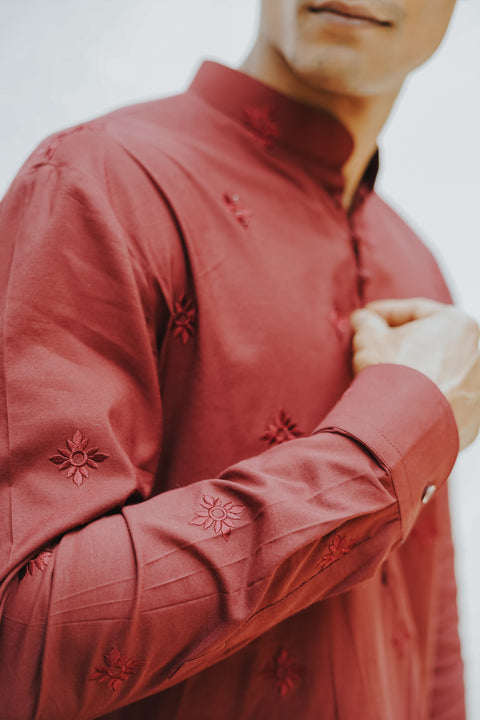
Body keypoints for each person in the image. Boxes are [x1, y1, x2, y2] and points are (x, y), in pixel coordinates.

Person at [0, 0, 478, 718]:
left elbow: (429, 632)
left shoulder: (418, 267)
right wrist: (385, 446)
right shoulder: (96, 181)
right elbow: (22, 643)